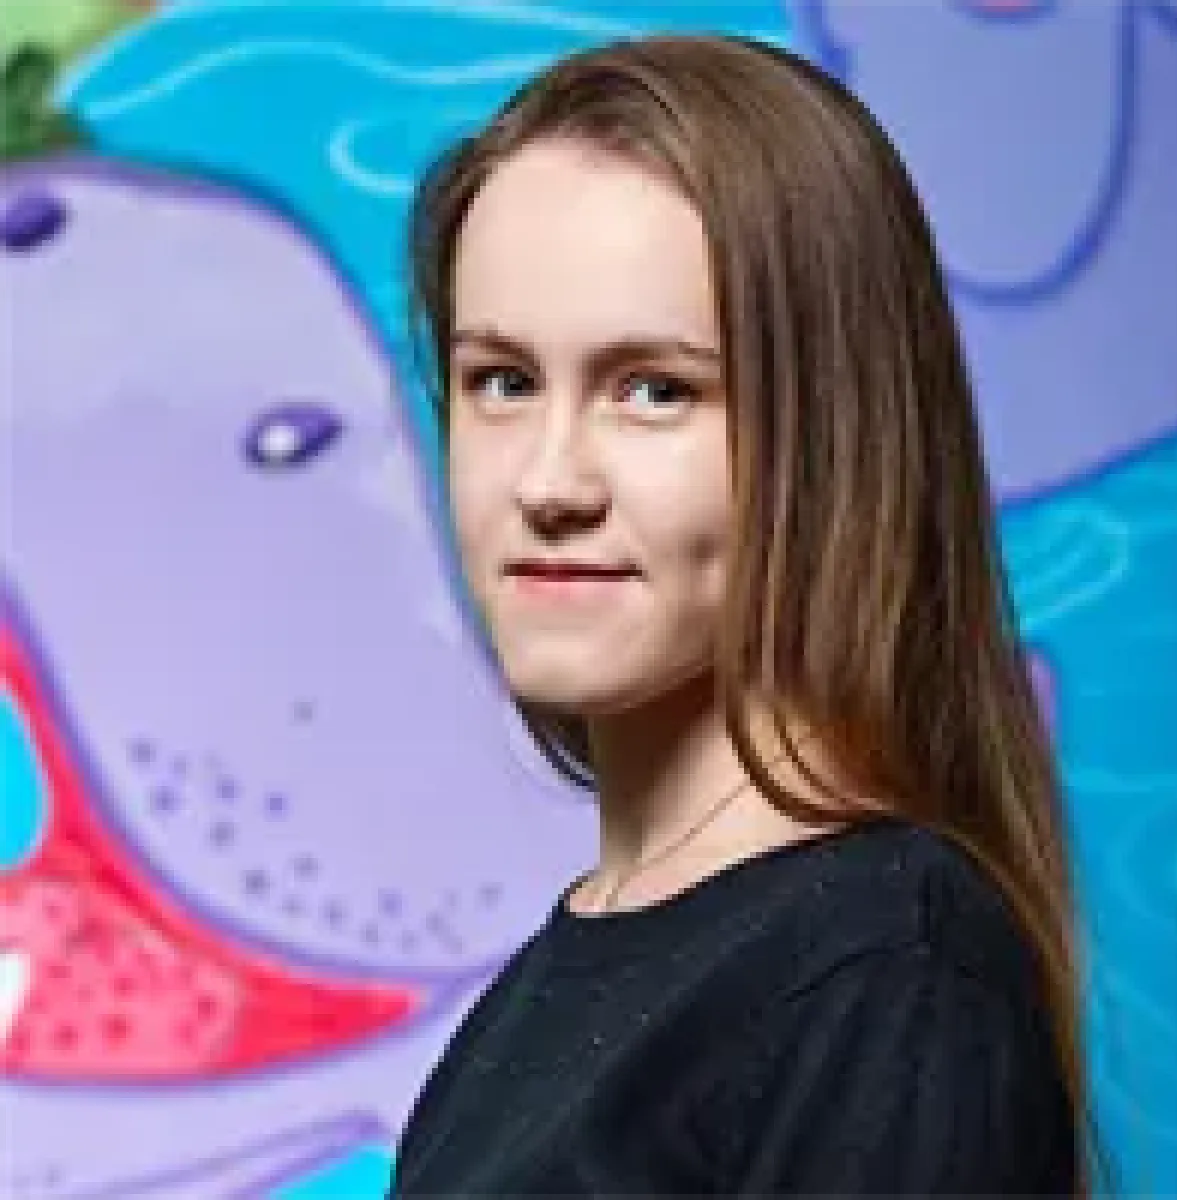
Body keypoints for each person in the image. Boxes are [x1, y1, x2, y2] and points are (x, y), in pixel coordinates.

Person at [388, 32, 1107, 1199]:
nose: (550, 482)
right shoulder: (556, 985)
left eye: (654, 390)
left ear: (834, 438)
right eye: (502, 381)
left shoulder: (885, 971)